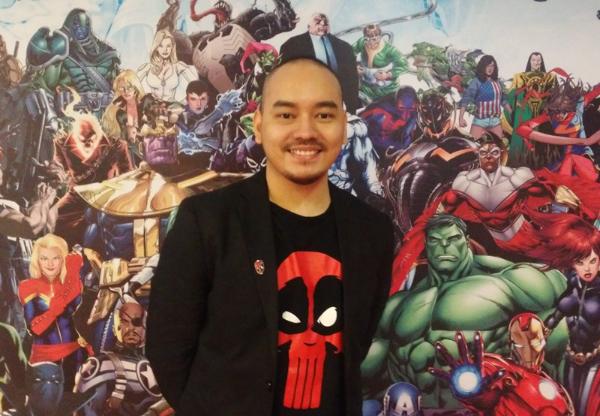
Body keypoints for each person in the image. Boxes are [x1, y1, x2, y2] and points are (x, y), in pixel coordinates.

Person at [146, 57, 394, 415]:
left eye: (324, 115)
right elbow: (168, 347)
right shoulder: (206, 222)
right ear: (259, 126)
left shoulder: (372, 231)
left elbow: (358, 339)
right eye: (286, 114)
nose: (305, 131)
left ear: (343, 127)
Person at [361, 214, 568, 411]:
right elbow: (368, 371)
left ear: (466, 241)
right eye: (435, 240)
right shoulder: (398, 304)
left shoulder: (507, 278)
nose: (444, 246)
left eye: (453, 239)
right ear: (426, 244)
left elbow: (560, 310)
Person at [430, 314, 574, 415]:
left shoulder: (554, 386)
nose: (528, 349)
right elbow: (487, 378)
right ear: (511, 344)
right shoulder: (503, 369)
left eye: (534, 340)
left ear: (544, 339)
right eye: (520, 342)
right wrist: (472, 385)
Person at [539, 215, 600, 416]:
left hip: (596, 361)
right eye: (581, 262)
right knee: (568, 404)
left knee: (586, 408)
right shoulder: (573, 286)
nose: (587, 268)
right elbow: (556, 316)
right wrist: (540, 333)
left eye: (592, 261)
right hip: (570, 357)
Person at [17, 234, 91, 391]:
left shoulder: (71, 281)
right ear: (37, 260)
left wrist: (72, 274)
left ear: (63, 259)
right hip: (44, 360)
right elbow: (35, 328)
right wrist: (53, 311)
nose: (50, 264)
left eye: (55, 258)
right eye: (44, 258)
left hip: (75, 353)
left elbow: (77, 308)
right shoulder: (27, 286)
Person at [280, 12, 360, 113]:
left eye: (325, 23)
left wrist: (351, 107)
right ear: (308, 25)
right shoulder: (291, 45)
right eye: (318, 22)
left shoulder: (345, 47)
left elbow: (352, 79)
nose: (322, 25)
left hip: (339, 104)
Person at [458, 55, 511, 140]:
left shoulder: (497, 82)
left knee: (499, 146)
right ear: (483, 67)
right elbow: (466, 99)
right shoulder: (476, 82)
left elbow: (502, 99)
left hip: (495, 121)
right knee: (474, 145)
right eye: (488, 66)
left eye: (492, 66)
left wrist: (511, 112)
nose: (490, 68)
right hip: (480, 121)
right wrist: (461, 118)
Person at [137, 29, 198, 102]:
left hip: (171, 106)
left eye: (168, 46)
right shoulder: (147, 67)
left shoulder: (178, 66)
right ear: (156, 47)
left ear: (172, 47)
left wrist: (183, 102)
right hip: (153, 107)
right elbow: (131, 84)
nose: (165, 50)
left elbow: (197, 86)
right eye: (161, 46)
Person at [353, 24, 407, 105]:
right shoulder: (361, 42)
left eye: (374, 39)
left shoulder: (390, 50)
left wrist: (387, 75)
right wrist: (355, 66)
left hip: (388, 90)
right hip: (367, 90)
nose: (371, 43)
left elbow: (404, 65)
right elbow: (349, 52)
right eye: (367, 39)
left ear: (380, 37)